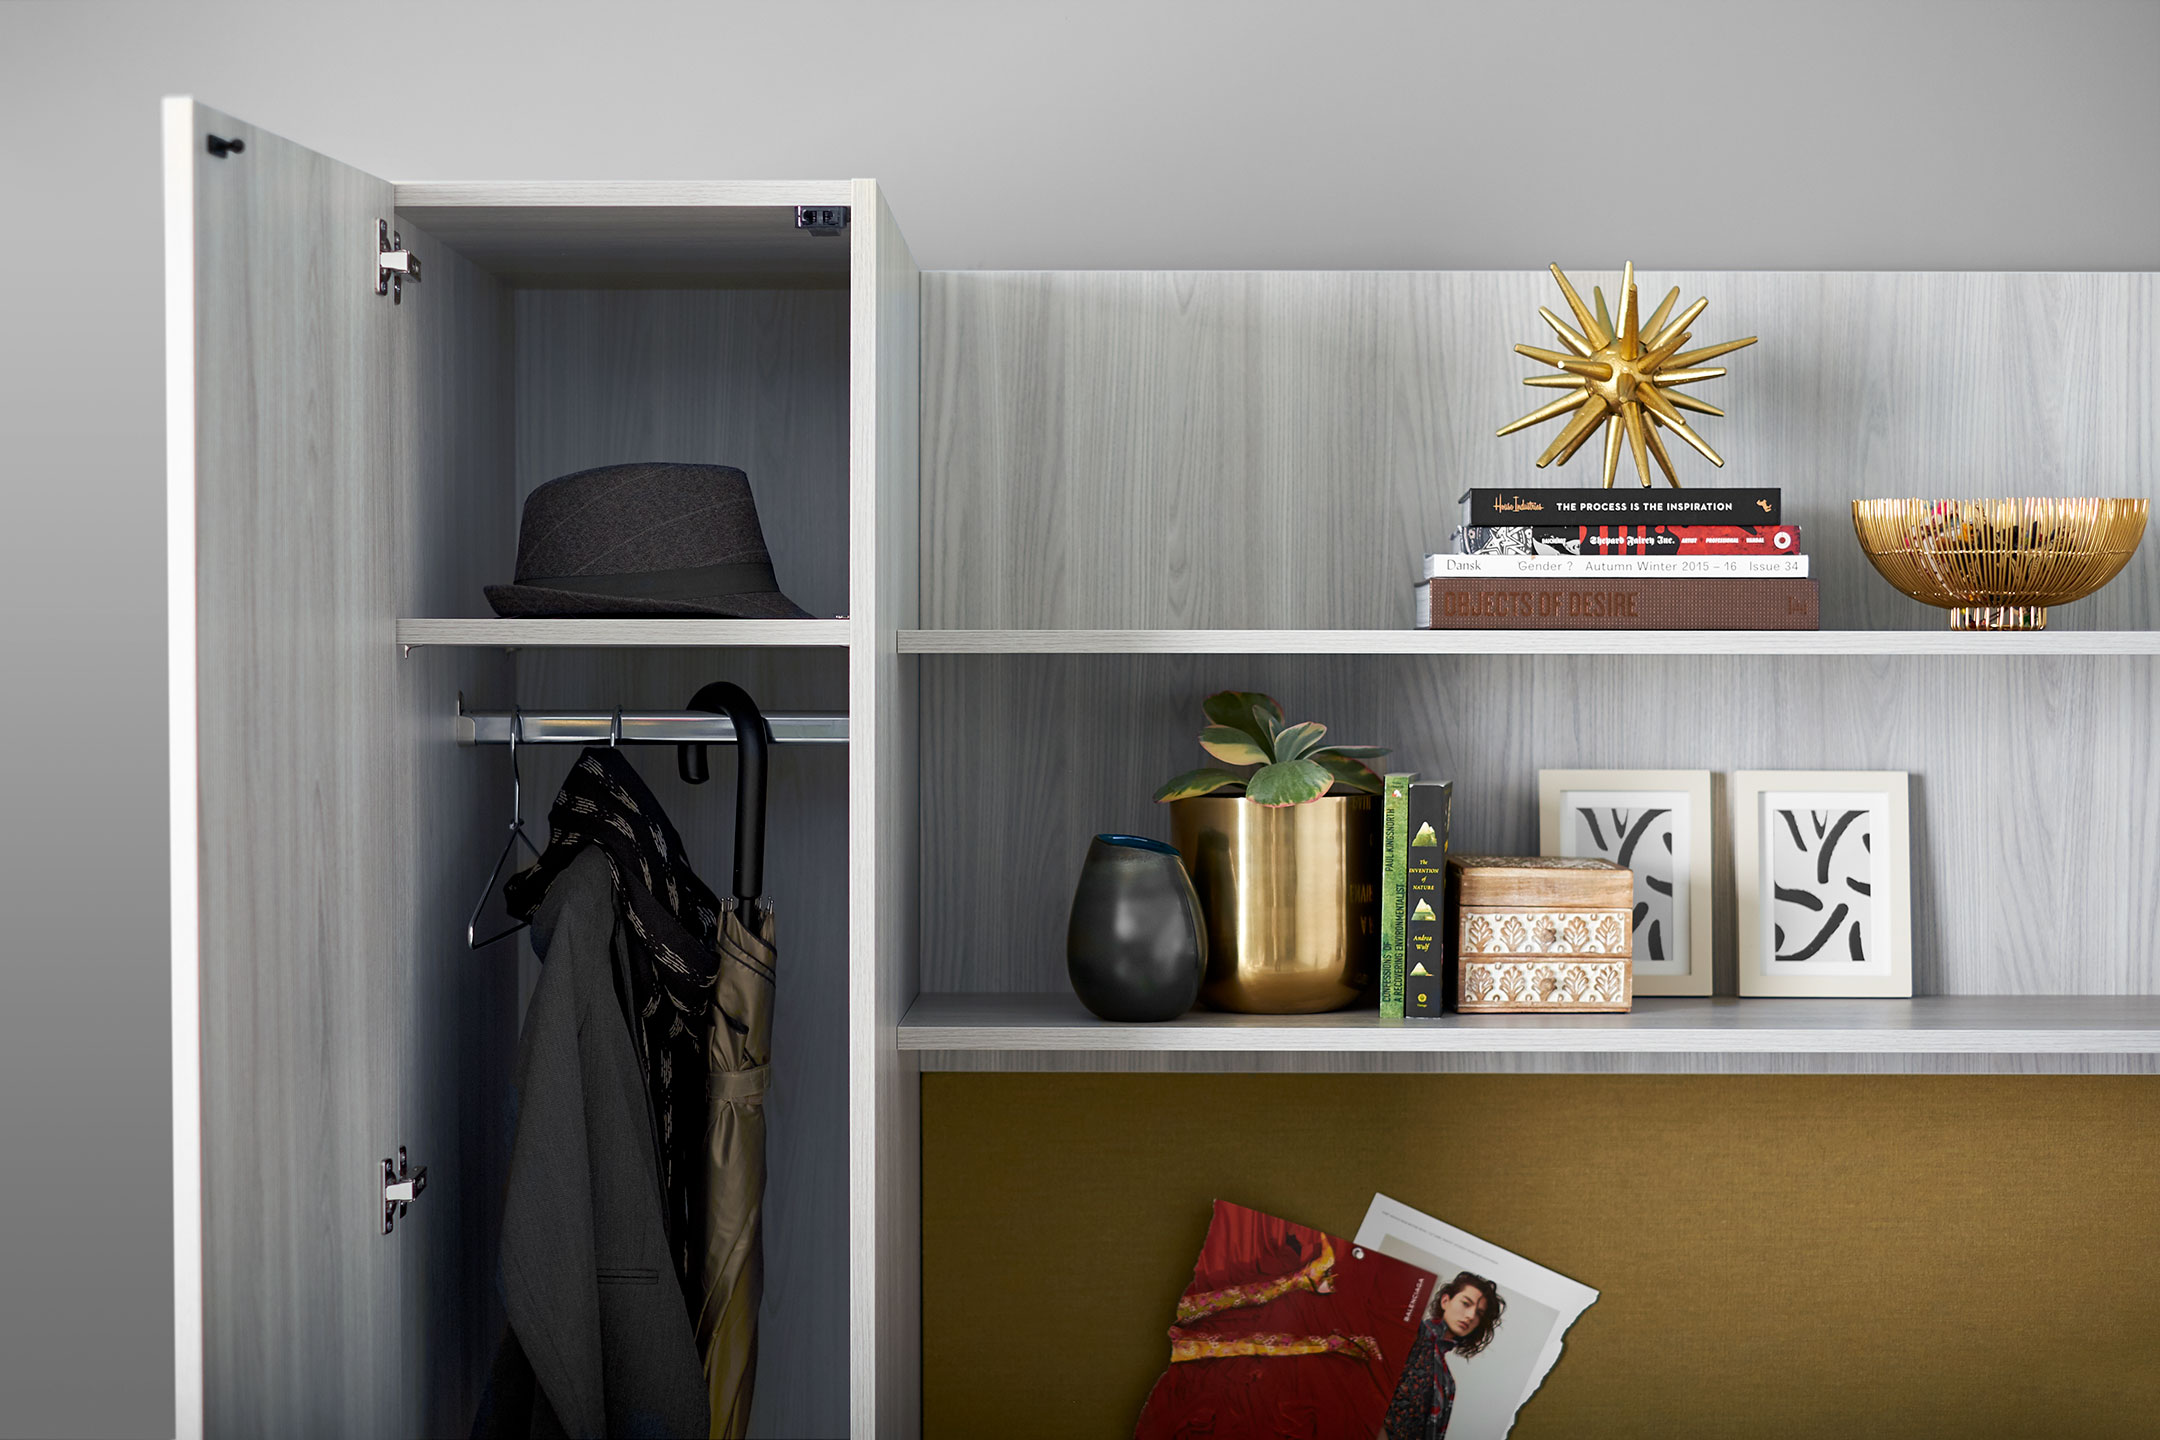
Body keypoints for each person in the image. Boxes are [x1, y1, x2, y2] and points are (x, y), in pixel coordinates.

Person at [1384, 1271, 1504, 1440]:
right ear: (1445, 1301)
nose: (1470, 1315)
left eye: (1478, 1313)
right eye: (1466, 1303)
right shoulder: (1409, 1331)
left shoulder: (1447, 1383)